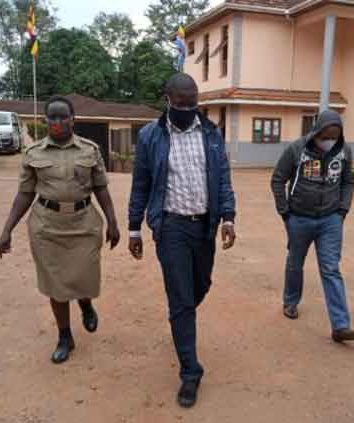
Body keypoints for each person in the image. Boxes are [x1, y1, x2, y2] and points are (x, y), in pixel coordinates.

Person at [128, 73, 236, 408]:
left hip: (205, 226)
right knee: (181, 300)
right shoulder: (150, 136)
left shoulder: (211, 133)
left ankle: (181, 317)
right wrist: (134, 228)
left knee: (200, 286)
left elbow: (222, 177)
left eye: (193, 104)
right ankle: (191, 372)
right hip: (171, 227)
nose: (188, 109)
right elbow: (141, 184)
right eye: (181, 103)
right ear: (168, 100)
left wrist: (228, 217)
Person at [0, 96, 120, 364]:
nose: (57, 121)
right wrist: (6, 229)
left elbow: (100, 187)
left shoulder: (89, 149)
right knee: (56, 286)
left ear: (72, 119)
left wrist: (112, 222)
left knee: (84, 276)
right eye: (52, 117)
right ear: (45, 120)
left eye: (62, 116)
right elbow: (24, 194)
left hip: (84, 223)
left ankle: (85, 304)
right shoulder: (34, 153)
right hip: (47, 227)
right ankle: (65, 336)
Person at [271, 110, 354, 343]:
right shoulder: (296, 150)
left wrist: (342, 210)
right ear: (316, 131)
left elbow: (348, 181)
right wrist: (285, 212)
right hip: (299, 218)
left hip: (331, 220)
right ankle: (290, 301)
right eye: (325, 136)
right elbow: (278, 179)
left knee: (331, 268)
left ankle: (340, 325)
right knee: (295, 263)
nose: (329, 141)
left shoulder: (344, 151)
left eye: (334, 137)